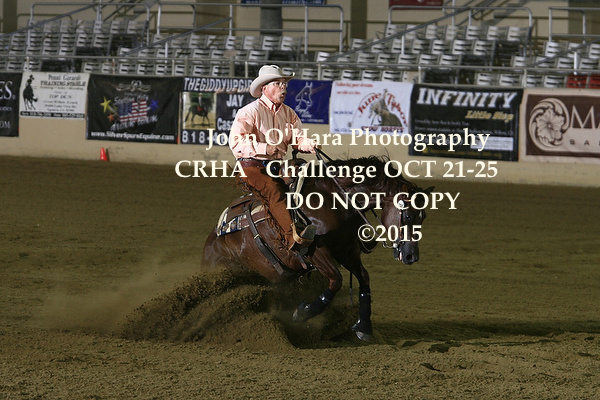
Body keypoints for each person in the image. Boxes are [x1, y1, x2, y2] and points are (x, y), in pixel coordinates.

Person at [229, 65, 318, 255]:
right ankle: (291, 238)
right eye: (277, 83)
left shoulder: (289, 114)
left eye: (284, 83)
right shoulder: (249, 111)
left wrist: (308, 144)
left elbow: (298, 140)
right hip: (251, 166)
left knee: (308, 181)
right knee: (273, 189)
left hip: (277, 166)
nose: (283, 87)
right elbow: (236, 142)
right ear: (264, 88)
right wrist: (264, 148)